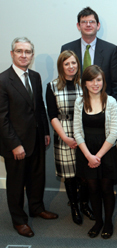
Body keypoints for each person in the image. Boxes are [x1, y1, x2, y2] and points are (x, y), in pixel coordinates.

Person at [0, 37, 58, 238]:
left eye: (27, 52)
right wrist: (15, 145)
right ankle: (19, 220)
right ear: (12, 54)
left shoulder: (34, 76)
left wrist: (44, 132)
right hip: (15, 144)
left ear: (32, 55)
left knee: (36, 178)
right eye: (19, 51)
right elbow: (2, 118)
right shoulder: (3, 80)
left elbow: (39, 107)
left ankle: (36, 208)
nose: (24, 55)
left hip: (36, 140)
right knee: (16, 184)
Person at [73, 65, 117, 239]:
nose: (95, 84)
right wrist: (88, 156)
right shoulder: (79, 102)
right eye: (91, 80)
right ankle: (98, 221)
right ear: (84, 83)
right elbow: (77, 131)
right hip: (86, 151)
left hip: (106, 151)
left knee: (107, 188)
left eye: (98, 80)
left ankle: (108, 222)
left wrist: (98, 156)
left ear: (103, 82)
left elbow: (114, 132)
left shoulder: (111, 101)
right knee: (92, 188)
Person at [46, 50, 85, 225]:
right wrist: (65, 138)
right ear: (61, 66)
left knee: (84, 173)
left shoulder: (85, 84)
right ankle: (74, 206)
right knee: (70, 175)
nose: (71, 67)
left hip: (84, 133)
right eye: (67, 63)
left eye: (74, 63)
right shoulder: (52, 86)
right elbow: (52, 115)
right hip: (64, 133)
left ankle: (84, 203)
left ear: (78, 64)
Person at [61, 7, 117, 100]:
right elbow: (63, 78)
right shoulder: (67, 49)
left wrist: (111, 106)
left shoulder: (110, 50)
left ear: (98, 26)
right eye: (84, 22)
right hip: (74, 103)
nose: (88, 25)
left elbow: (116, 83)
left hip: (103, 104)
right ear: (78, 26)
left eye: (92, 22)